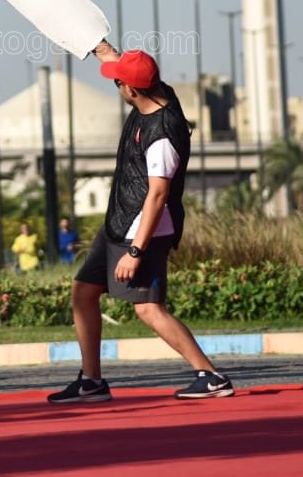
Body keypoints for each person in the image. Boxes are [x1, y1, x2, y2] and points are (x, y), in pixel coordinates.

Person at [48, 43, 234, 403]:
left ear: (131, 89)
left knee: (148, 308)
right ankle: (92, 381)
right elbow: (120, 65)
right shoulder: (158, 93)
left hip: (143, 230)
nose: (116, 86)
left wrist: (135, 251)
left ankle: (211, 376)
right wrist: (98, 45)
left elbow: (157, 196)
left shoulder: (161, 134)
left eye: (119, 83)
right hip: (119, 223)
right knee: (84, 292)